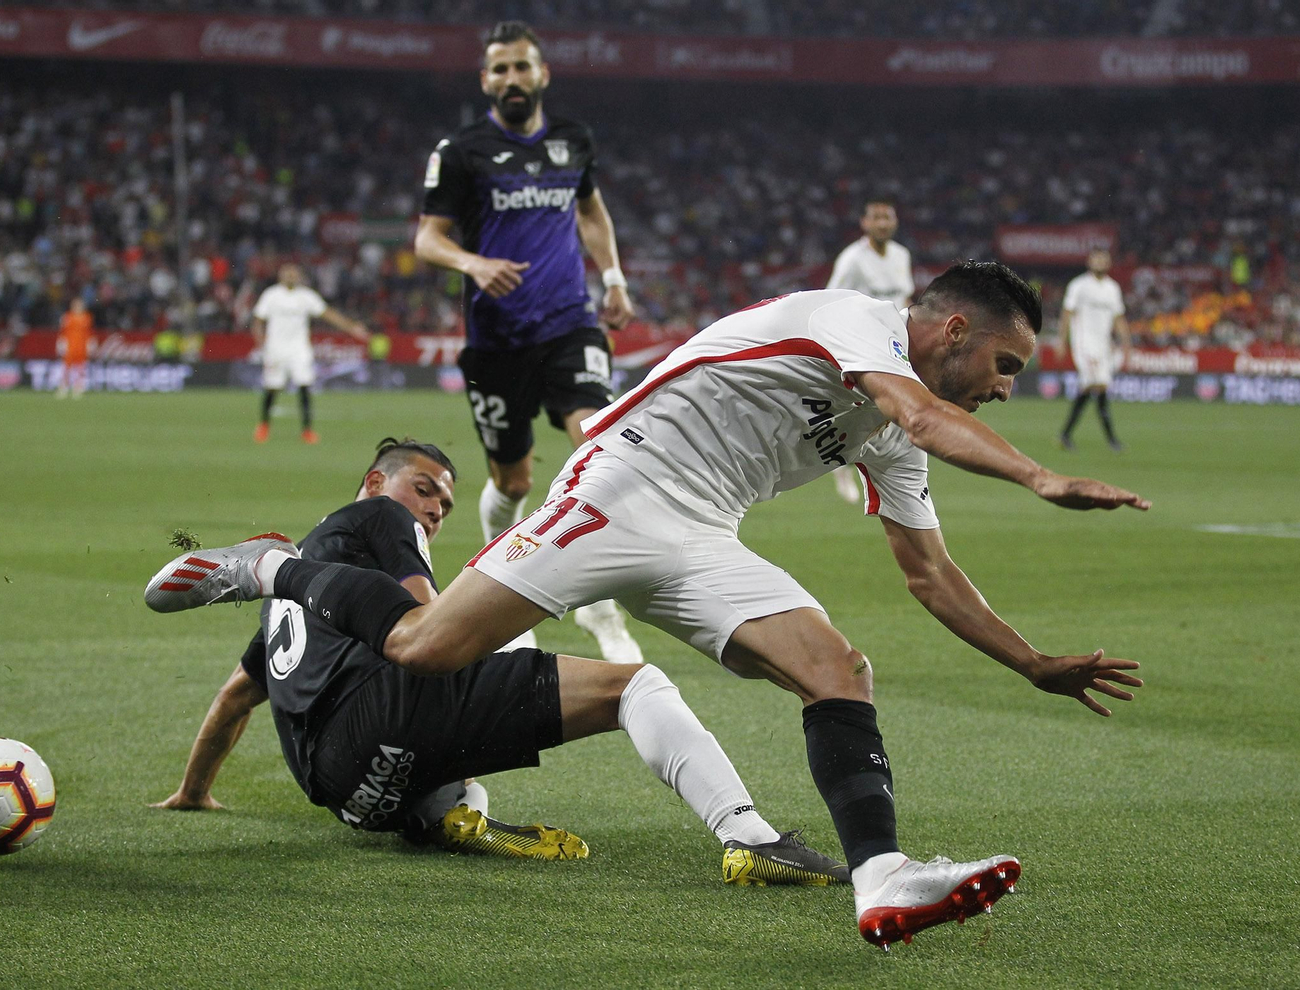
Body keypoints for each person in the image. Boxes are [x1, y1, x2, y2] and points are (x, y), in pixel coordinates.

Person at [145, 262, 1149, 948]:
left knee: (837, 668)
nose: (1008, 388)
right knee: (421, 649)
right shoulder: (853, 319)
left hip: (705, 539)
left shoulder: (887, 431)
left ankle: (879, 874)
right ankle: (272, 568)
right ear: (953, 329)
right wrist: (1040, 480)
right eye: (1006, 365)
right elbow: (922, 412)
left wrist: (1030, 662)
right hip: (613, 491)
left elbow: (929, 573)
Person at [149, 438, 847, 883]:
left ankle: (453, 811)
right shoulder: (377, 519)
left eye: (446, 503)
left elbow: (236, 698)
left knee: (466, 661)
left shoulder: (299, 603)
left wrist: (194, 789)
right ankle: (749, 836)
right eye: (424, 489)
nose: (433, 509)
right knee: (629, 683)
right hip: (385, 724)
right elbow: (435, 629)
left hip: (355, 800)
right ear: (373, 482)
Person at [413, 20, 641, 663]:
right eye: (500, 70)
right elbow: (427, 238)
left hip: (570, 323)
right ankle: (504, 576)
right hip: (496, 341)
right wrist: (473, 264)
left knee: (598, 447)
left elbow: (590, 209)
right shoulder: (461, 151)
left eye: (522, 67)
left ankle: (601, 608)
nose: (512, 78)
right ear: (485, 81)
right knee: (511, 480)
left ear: (543, 74)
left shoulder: (572, 141)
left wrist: (615, 277)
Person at [826, 198, 915, 503]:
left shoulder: (902, 255)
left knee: (883, 413)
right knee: (854, 409)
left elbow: (904, 297)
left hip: (892, 345)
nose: (882, 223)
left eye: (887, 217)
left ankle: (876, 467)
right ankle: (841, 469)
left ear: (895, 221)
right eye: (876, 218)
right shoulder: (852, 259)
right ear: (864, 223)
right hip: (858, 344)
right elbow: (831, 298)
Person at [251, 264, 367, 445]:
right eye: (287, 272)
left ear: (298, 276)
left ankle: (307, 430)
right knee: (272, 387)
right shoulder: (271, 295)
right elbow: (258, 320)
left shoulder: (306, 296)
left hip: (299, 349)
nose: (290, 275)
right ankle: (264, 426)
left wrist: (351, 327)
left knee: (304, 386)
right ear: (280, 275)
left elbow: (327, 314)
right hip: (276, 348)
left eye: (293, 273)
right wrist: (261, 344)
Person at [1055, 249, 1130, 452]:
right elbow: (1067, 313)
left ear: (1109, 262)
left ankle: (1065, 435)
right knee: (1098, 384)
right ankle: (1112, 439)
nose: (1100, 262)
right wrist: (1061, 341)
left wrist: (1126, 343)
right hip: (1084, 344)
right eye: (1097, 259)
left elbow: (1118, 318)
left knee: (1094, 388)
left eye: (1104, 259)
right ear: (1089, 262)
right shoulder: (1079, 286)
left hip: (1104, 346)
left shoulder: (1112, 288)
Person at [56, 296, 93, 399]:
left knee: (80, 367)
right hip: (70, 344)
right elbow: (63, 331)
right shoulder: (67, 317)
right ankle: (64, 387)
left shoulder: (86, 317)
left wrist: (90, 342)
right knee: (67, 367)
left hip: (81, 345)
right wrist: (61, 342)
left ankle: (78, 387)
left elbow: (88, 332)